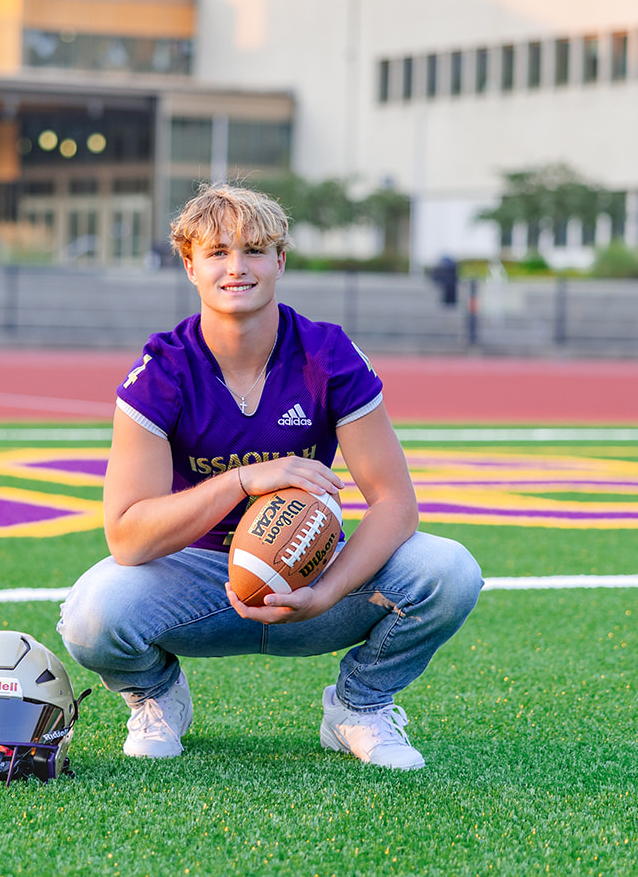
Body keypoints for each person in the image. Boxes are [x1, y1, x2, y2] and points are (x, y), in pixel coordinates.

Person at [57, 183, 483, 770]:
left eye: (255, 250)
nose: (237, 268)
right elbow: (127, 536)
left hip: (311, 563)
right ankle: (157, 696)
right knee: (90, 615)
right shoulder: (163, 369)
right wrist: (242, 480)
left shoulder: (327, 353)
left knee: (449, 570)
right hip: (199, 580)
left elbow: (394, 504)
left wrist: (325, 592)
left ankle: (359, 707)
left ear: (280, 260)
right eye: (217, 253)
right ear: (190, 265)